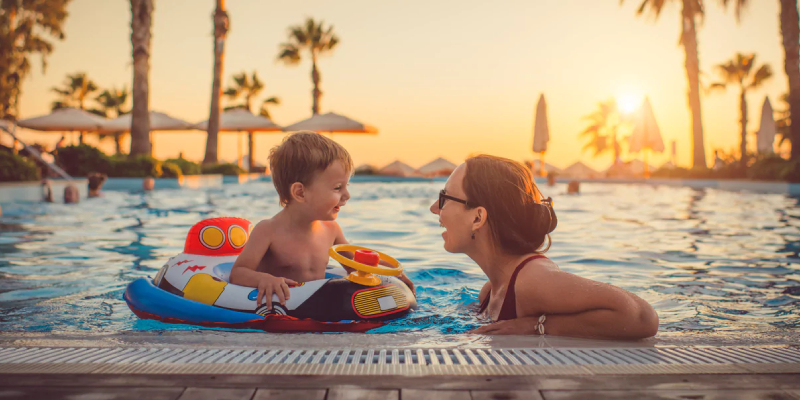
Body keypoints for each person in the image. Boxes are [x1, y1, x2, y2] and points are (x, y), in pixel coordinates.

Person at [430, 155, 658, 339]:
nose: (434, 208)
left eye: (445, 198)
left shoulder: (531, 281)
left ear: (478, 217)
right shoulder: (490, 292)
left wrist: (538, 326)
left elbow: (641, 316)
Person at [230, 131, 414, 311]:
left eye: (346, 186)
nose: (347, 195)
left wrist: (393, 274)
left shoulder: (331, 229)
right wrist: (265, 280)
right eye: (337, 188)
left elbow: (356, 266)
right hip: (285, 311)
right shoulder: (268, 230)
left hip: (319, 309)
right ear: (300, 192)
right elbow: (238, 273)